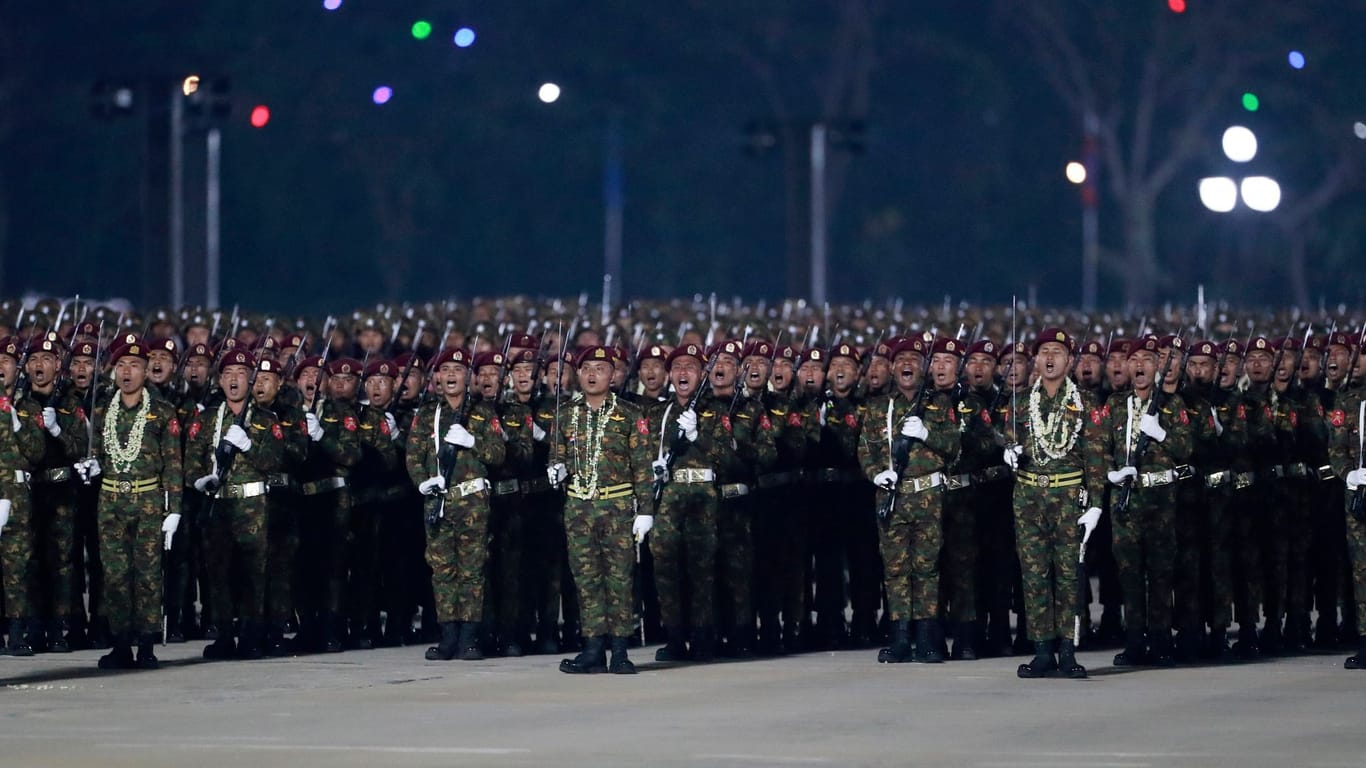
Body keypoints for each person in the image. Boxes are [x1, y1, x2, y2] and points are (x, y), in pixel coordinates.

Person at [1001, 328, 1103, 678]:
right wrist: (1009, 453)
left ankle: (1068, 651)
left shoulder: (1084, 402)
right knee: (1034, 577)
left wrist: (1097, 504)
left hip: (1068, 498)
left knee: (1068, 577)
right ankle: (1042, 649)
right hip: (1029, 497)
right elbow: (1011, 441)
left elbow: (1096, 456)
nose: (1049, 358)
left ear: (1069, 360)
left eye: (1057, 352)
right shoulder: (1020, 402)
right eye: (1043, 351)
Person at [1089, 335, 1193, 667]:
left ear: (1157, 367)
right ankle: (1135, 640)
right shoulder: (1116, 405)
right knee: (1130, 574)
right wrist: (1110, 474)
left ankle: (1161, 641)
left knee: (1161, 573)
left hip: (1160, 499)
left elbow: (1187, 450)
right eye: (1135, 360)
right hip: (1126, 499)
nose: (1140, 366)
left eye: (1148, 360)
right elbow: (1100, 447)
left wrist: (1162, 433)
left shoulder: (1172, 405)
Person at [80, 336, 183, 669]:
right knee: (115, 575)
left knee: (148, 574)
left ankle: (148, 644)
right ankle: (121, 642)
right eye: (122, 365)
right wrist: (90, 466)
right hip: (110, 498)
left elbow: (173, 464)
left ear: (144, 371)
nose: (128, 372)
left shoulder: (162, 412)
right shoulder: (101, 409)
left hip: (148, 499)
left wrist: (175, 509)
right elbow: (95, 454)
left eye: (135, 366)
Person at [549, 346, 653, 674]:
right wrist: (556, 469)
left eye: (600, 368)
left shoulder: (629, 414)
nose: (592, 374)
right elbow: (558, 455)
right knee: (586, 579)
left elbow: (642, 467)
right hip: (579, 506)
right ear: (578, 375)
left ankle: (620, 649)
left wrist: (645, 510)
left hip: (617, 505)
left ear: (613, 375)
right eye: (586, 369)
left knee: (620, 579)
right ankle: (593, 647)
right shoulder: (565, 413)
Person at [858, 335, 959, 664]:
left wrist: (928, 433)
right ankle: (900, 637)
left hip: (927, 497)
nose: (906, 365)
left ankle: (928, 638)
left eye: (913, 360)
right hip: (893, 496)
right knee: (896, 570)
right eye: (900, 360)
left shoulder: (939, 405)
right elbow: (866, 449)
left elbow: (954, 448)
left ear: (923, 367)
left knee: (926, 570)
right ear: (890, 367)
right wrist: (876, 473)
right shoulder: (878, 407)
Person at [405, 346, 507, 661]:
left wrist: (473, 442)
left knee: (472, 570)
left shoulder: (483, 412)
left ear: (468, 377)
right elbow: (413, 454)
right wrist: (423, 480)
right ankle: (448, 636)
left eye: (458, 370)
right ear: (436, 377)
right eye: (445, 369)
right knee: (442, 569)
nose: (451, 375)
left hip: (472, 501)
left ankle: (470, 637)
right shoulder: (427, 414)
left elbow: (499, 455)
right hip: (438, 500)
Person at [184, 349, 286, 660]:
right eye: (228, 373)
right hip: (218, 504)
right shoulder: (206, 420)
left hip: (252, 506)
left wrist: (250, 446)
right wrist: (199, 480)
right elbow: (191, 462)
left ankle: (251, 636)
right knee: (218, 574)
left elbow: (275, 461)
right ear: (219, 380)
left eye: (241, 374)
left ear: (251, 380)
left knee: (253, 574)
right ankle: (225, 636)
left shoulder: (267, 420)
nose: (233, 379)